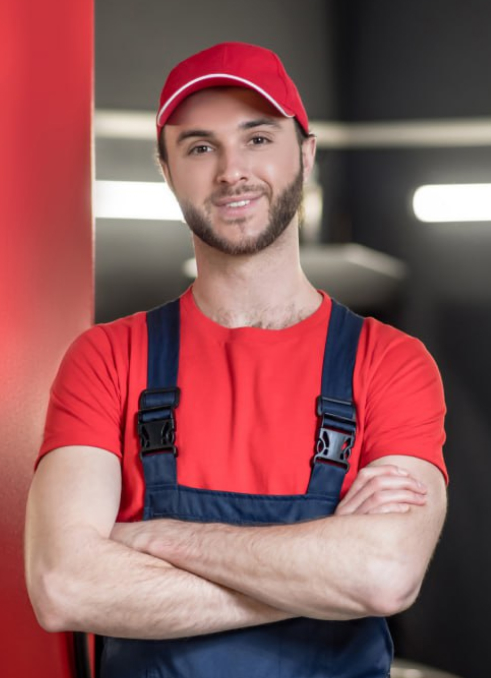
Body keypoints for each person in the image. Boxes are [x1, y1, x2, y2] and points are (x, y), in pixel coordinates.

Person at [25, 41, 448, 678]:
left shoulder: (390, 364)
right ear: (166, 170)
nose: (231, 171)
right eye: (200, 147)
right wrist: (320, 577)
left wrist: (150, 538)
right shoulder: (107, 359)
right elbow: (65, 587)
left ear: (306, 154)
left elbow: (384, 575)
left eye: (257, 139)